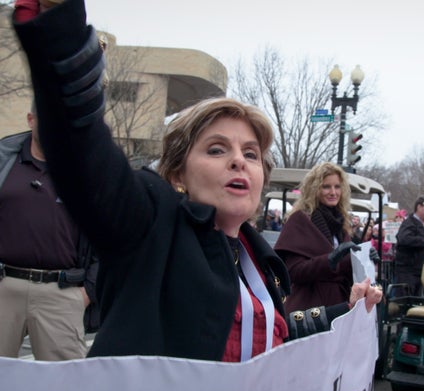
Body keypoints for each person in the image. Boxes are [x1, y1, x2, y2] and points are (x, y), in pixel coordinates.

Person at [12, 0, 381, 361]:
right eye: (217, 150)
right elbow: (82, 152)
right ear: (177, 172)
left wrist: (347, 313)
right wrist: (62, 32)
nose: (239, 160)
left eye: (251, 154)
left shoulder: (258, 259)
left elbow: (268, 337)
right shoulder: (152, 227)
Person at [0, 105, 97, 360]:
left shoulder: (85, 173)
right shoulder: (4, 161)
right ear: (31, 119)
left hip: (62, 292)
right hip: (3, 286)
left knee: (66, 387)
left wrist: (86, 293)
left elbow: (105, 236)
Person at [275, 162, 365, 313]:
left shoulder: (341, 223)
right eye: (326, 187)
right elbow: (292, 271)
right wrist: (329, 260)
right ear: (314, 189)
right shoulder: (300, 220)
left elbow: (347, 271)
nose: (333, 192)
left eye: (337, 187)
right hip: (310, 309)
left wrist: (363, 259)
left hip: (339, 307)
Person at [394, 196, 424, 296]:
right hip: (407, 271)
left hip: (419, 271)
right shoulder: (409, 223)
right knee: (405, 301)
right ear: (419, 207)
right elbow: (404, 239)